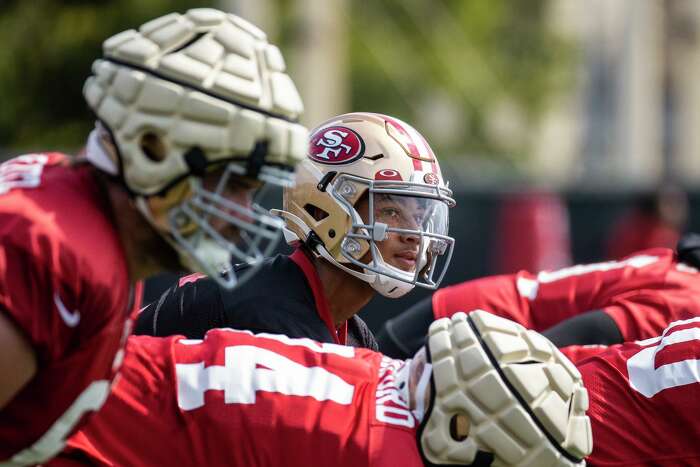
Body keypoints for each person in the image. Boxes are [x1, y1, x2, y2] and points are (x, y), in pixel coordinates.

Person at [0, 8, 306, 465]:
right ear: (153, 150)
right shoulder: (57, 252)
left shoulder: (74, 211)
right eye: (233, 184)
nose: (243, 213)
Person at [55, 310, 592, 466]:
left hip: (111, 373)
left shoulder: (377, 370)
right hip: (79, 427)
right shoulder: (381, 453)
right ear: (460, 427)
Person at [135, 112, 456, 350]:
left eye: (420, 215)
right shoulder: (259, 315)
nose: (415, 234)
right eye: (391, 211)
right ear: (320, 210)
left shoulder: (353, 335)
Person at [378, 236, 700, 359]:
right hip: (474, 326)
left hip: (474, 311)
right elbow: (592, 331)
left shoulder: (687, 275)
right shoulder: (689, 297)